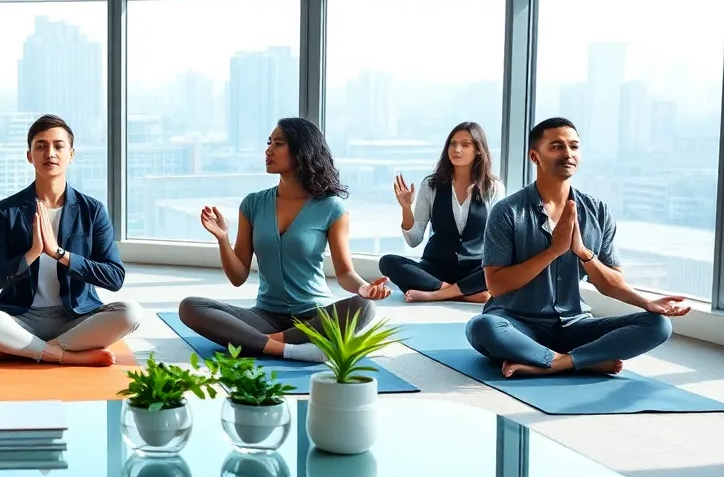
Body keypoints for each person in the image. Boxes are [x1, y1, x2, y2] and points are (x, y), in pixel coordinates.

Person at [464, 117, 688, 378]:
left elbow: (611, 282)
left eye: (574, 146)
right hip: (518, 325)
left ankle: (558, 362)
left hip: (575, 326)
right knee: (482, 327)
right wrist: (553, 251)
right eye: (557, 146)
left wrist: (585, 255)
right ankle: (584, 360)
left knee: (658, 325)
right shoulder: (508, 211)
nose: (568, 153)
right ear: (535, 156)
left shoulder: (597, 211)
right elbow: (496, 286)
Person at [179, 118, 392, 360]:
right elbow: (238, 277)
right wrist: (222, 239)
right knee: (190, 307)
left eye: (279, 143)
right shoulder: (253, 203)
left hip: (315, 315)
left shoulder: (331, 207)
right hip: (265, 316)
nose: (268, 150)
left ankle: (257, 343)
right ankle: (290, 348)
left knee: (364, 307)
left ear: (303, 150)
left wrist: (363, 287)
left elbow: (344, 272)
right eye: (269, 143)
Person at [0, 114, 144, 366]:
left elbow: (114, 277)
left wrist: (59, 254)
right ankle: (62, 355)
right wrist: (32, 253)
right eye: (41, 146)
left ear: (71, 154)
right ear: (29, 155)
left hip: (76, 319)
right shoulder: (7, 210)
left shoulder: (92, 210)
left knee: (131, 313)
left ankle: (21, 348)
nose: (50, 153)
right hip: (20, 317)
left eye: (58, 146)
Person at [378, 122, 505, 303]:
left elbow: (498, 240)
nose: (457, 149)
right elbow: (414, 240)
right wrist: (406, 208)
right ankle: (459, 294)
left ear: (478, 150)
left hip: (474, 270)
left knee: (504, 267)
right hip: (436, 267)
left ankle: (434, 293)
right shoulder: (431, 185)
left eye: (465, 144)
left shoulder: (492, 188)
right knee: (387, 262)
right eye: (452, 144)